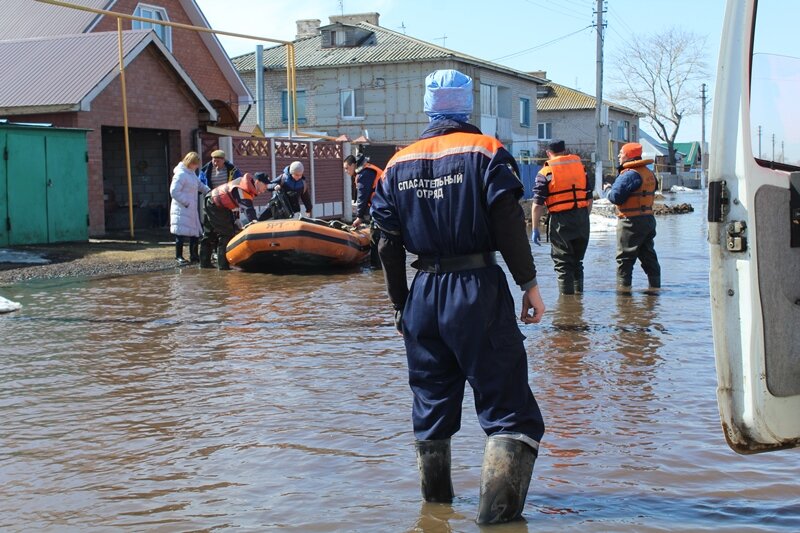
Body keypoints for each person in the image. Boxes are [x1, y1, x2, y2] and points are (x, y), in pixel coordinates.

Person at [370, 69, 546, 525]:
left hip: (423, 293)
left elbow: (386, 242)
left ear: (428, 106)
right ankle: (497, 522)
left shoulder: (397, 164)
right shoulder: (486, 151)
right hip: (476, 288)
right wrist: (528, 283)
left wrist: (400, 304)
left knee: (430, 404)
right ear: (466, 105)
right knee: (509, 409)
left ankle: (436, 513)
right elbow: (508, 222)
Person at [531, 140, 592, 294]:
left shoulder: (546, 173)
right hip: (582, 217)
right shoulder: (580, 167)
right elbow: (589, 199)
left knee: (563, 264)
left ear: (547, 153)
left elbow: (537, 204)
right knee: (577, 261)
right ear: (564, 150)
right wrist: (584, 218)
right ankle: (579, 300)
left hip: (560, 221)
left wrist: (535, 228)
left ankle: (568, 308)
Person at [604, 142, 661, 290]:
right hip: (648, 220)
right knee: (648, 256)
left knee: (625, 259)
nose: (618, 156)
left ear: (628, 155)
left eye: (621, 153)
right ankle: (655, 290)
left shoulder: (629, 174)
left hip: (631, 222)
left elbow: (616, 197)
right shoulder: (649, 173)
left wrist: (607, 190)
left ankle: (623, 296)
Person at [200, 171, 270, 270]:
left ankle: (204, 264)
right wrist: (255, 222)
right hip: (214, 204)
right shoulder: (242, 188)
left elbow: (237, 204)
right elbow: (248, 209)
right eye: (265, 185)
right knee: (226, 234)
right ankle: (223, 267)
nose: (265, 189)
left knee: (210, 234)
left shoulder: (246, 185)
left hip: (215, 202)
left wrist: (237, 219)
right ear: (258, 182)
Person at [344, 153, 384, 268]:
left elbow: (362, 197)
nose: (346, 171)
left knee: (376, 237)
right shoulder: (368, 170)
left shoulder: (364, 174)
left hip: (382, 208)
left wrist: (359, 217)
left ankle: (376, 267)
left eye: (347, 168)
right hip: (383, 206)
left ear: (354, 165)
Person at [169, 152, 209, 265]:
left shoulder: (191, 174)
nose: (197, 166)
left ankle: (194, 256)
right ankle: (179, 256)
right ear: (190, 163)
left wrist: (209, 191)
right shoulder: (180, 174)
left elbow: (200, 185)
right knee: (180, 233)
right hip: (181, 209)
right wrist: (186, 202)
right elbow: (174, 191)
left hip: (190, 209)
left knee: (194, 233)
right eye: (195, 164)